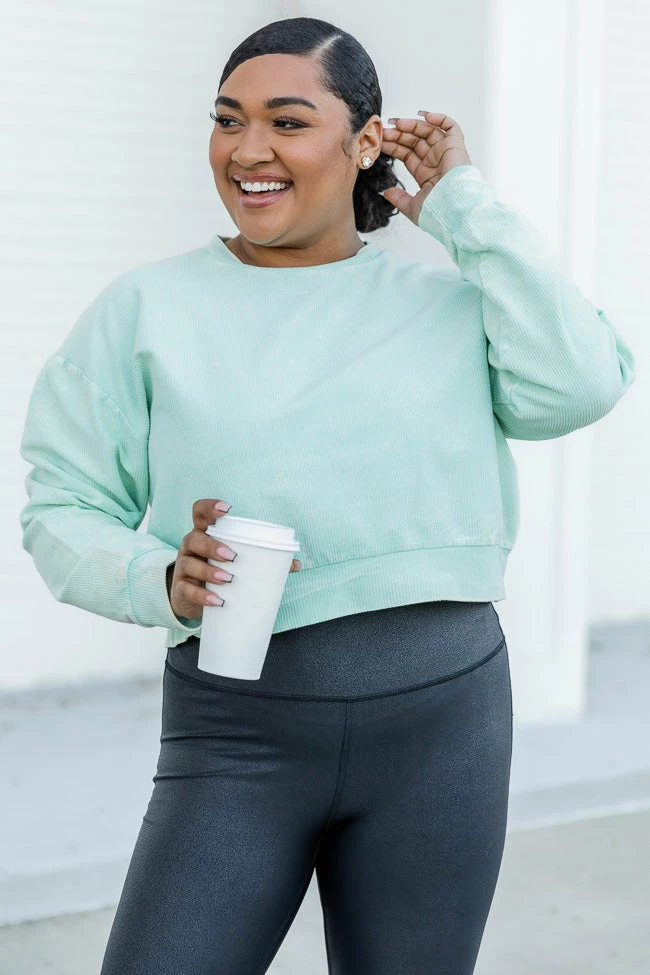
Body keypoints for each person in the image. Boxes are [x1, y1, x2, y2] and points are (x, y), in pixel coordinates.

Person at [19, 16, 635, 975]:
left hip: (445, 731)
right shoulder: (145, 310)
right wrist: (160, 577)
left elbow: (582, 382)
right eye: (228, 119)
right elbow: (61, 504)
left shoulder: (451, 308)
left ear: (364, 141)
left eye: (288, 121)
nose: (248, 150)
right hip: (239, 734)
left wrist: (462, 207)